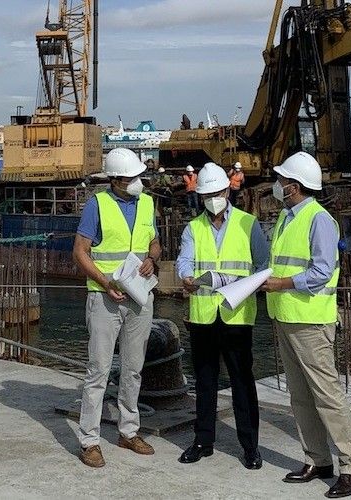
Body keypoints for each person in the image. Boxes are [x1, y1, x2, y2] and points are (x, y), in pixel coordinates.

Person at [260, 152, 351, 498]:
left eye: (282, 180)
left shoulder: (319, 220)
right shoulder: (287, 217)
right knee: (300, 396)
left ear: (293, 186)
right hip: (286, 315)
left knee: (327, 396)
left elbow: (321, 272)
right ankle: (317, 460)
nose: (277, 185)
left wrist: (279, 284)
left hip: (310, 319)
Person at [175, 163, 269, 470]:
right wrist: (187, 277)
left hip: (237, 315)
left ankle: (250, 447)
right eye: (207, 195)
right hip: (203, 316)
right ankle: (203, 441)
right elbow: (184, 262)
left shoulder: (248, 223)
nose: (213, 199)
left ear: (227, 191)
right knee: (204, 380)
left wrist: (240, 285)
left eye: (217, 193)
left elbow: (262, 266)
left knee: (242, 381)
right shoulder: (193, 228)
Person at [73, 147, 162, 468]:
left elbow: (154, 241)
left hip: (139, 297)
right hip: (104, 297)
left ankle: (128, 431)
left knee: (133, 368)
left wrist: (152, 259)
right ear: (117, 180)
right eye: (133, 177)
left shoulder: (148, 202)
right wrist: (105, 281)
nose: (140, 181)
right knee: (97, 371)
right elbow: (80, 251)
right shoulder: (97, 205)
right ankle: (90, 440)